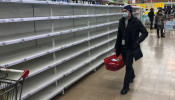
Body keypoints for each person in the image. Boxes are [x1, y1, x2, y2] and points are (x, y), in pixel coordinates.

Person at [114, 5, 148, 95]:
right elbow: (119, 35)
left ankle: (126, 86)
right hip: (122, 47)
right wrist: (116, 47)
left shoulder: (136, 22)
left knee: (128, 66)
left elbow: (145, 32)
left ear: (130, 11)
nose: (123, 12)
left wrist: (137, 42)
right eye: (122, 10)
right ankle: (132, 75)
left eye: (125, 10)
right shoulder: (121, 21)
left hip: (131, 48)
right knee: (126, 63)